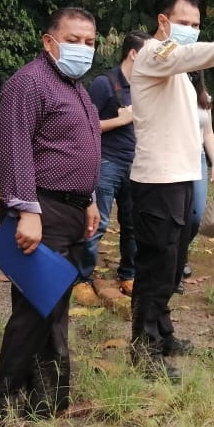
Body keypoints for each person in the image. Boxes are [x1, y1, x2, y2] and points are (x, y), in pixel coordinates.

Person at [129, 0, 214, 380]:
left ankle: (163, 333)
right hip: (158, 182)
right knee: (155, 268)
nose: (190, 29)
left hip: (182, 180)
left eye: (195, 24)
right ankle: (144, 351)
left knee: (173, 264)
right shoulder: (153, 54)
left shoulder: (180, 76)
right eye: (183, 22)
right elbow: (185, 54)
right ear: (163, 21)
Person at [0, 7, 101, 427]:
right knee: (35, 307)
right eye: (73, 39)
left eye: (89, 42)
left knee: (54, 306)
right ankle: (1, 398)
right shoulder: (29, 82)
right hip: (41, 208)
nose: (82, 48)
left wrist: (89, 199)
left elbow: (80, 149)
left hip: (71, 208)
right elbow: (12, 147)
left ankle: (46, 396)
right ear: (49, 41)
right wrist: (25, 210)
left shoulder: (75, 88)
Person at [73, 30, 149, 302]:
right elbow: (84, 126)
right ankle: (81, 278)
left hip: (136, 164)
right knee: (98, 222)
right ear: (134, 54)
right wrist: (120, 120)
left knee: (133, 224)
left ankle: (128, 274)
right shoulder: (105, 84)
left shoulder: (145, 86)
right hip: (107, 162)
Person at [174, 70, 214, 293]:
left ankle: (181, 253)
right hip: (176, 156)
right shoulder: (173, 92)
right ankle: (175, 265)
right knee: (178, 214)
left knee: (196, 216)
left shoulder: (204, 98)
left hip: (198, 158)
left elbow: (208, 132)